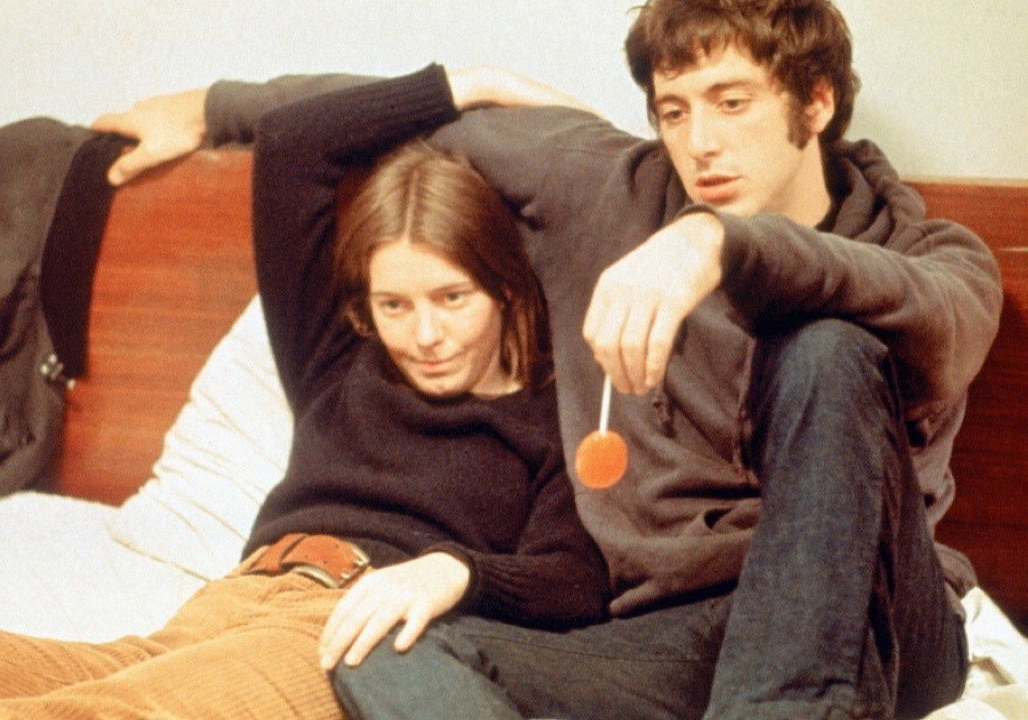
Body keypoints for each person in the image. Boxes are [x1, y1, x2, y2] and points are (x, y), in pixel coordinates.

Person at [90, 1, 1003, 718]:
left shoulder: (933, 254)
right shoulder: (604, 189)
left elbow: (940, 317)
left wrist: (715, 244)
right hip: (681, 630)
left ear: (816, 101)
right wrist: (210, 109)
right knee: (386, 654)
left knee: (828, 345)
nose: (701, 142)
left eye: (733, 103)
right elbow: (349, 127)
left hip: (886, 618)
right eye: (674, 111)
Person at [0, 70, 608, 719]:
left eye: (452, 299)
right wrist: (466, 83)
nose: (423, 334)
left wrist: (455, 571)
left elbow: (574, 579)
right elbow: (297, 146)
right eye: (395, 305)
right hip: (221, 606)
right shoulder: (335, 359)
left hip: (340, 636)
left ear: (506, 289)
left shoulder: (557, 411)